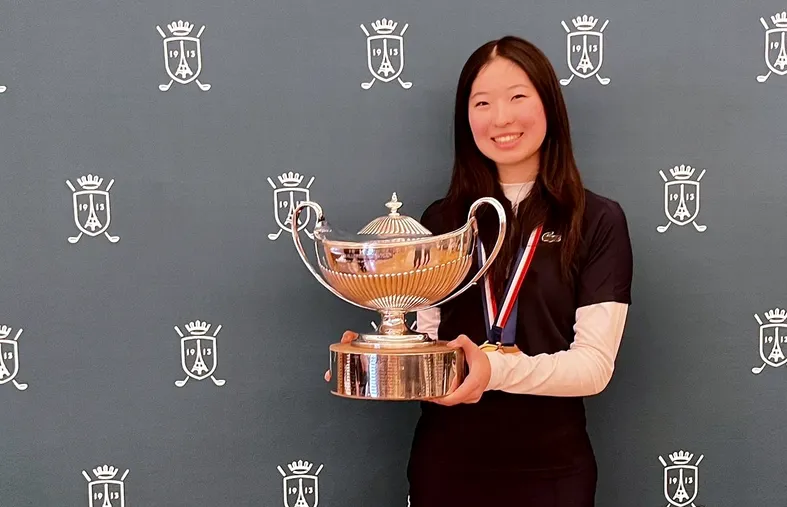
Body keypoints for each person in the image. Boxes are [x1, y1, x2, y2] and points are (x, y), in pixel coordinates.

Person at [326, 35, 633, 506]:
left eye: (517, 97)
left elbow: (593, 367)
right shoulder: (442, 222)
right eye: (482, 102)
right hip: (447, 466)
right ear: (465, 117)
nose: (501, 118)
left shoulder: (595, 220)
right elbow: (431, 343)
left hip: (552, 471)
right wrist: (383, 358)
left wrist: (493, 370)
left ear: (549, 104)